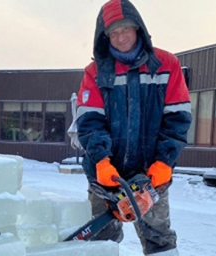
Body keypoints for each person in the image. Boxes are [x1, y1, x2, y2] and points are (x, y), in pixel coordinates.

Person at [75, 0, 192, 255]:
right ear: (105, 37)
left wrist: (164, 162)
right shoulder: (95, 72)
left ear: (137, 28)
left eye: (125, 29)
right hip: (106, 175)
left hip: (150, 174)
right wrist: (102, 161)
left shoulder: (166, 65)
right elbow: (90, 122)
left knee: (158, 237)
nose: (120, 37)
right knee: (101, 239)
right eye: (113, 32)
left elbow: (177, 119)